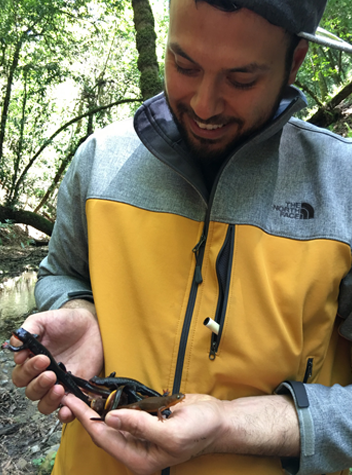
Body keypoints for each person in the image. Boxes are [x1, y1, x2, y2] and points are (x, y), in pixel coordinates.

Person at [9, 0, 352, 474]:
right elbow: (61, 271)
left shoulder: (343, 188)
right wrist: (76, 308)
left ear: (294, 62)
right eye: (184, 65)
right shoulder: (100, 162)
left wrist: (233, 424)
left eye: (241, 80)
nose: (204, 105)